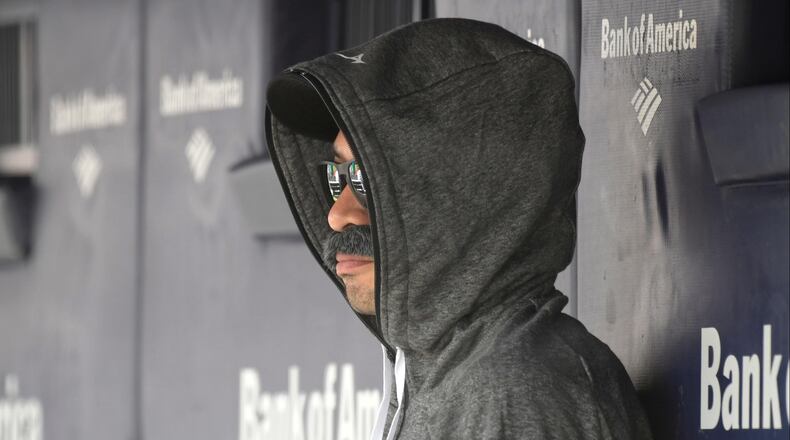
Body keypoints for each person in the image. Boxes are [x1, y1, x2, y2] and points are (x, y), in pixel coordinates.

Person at [265, 18, 652, 440]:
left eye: (366, 179)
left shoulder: (513, 388)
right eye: (339, 176)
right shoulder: (443, 371)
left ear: (466, 189)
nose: (337, 216)